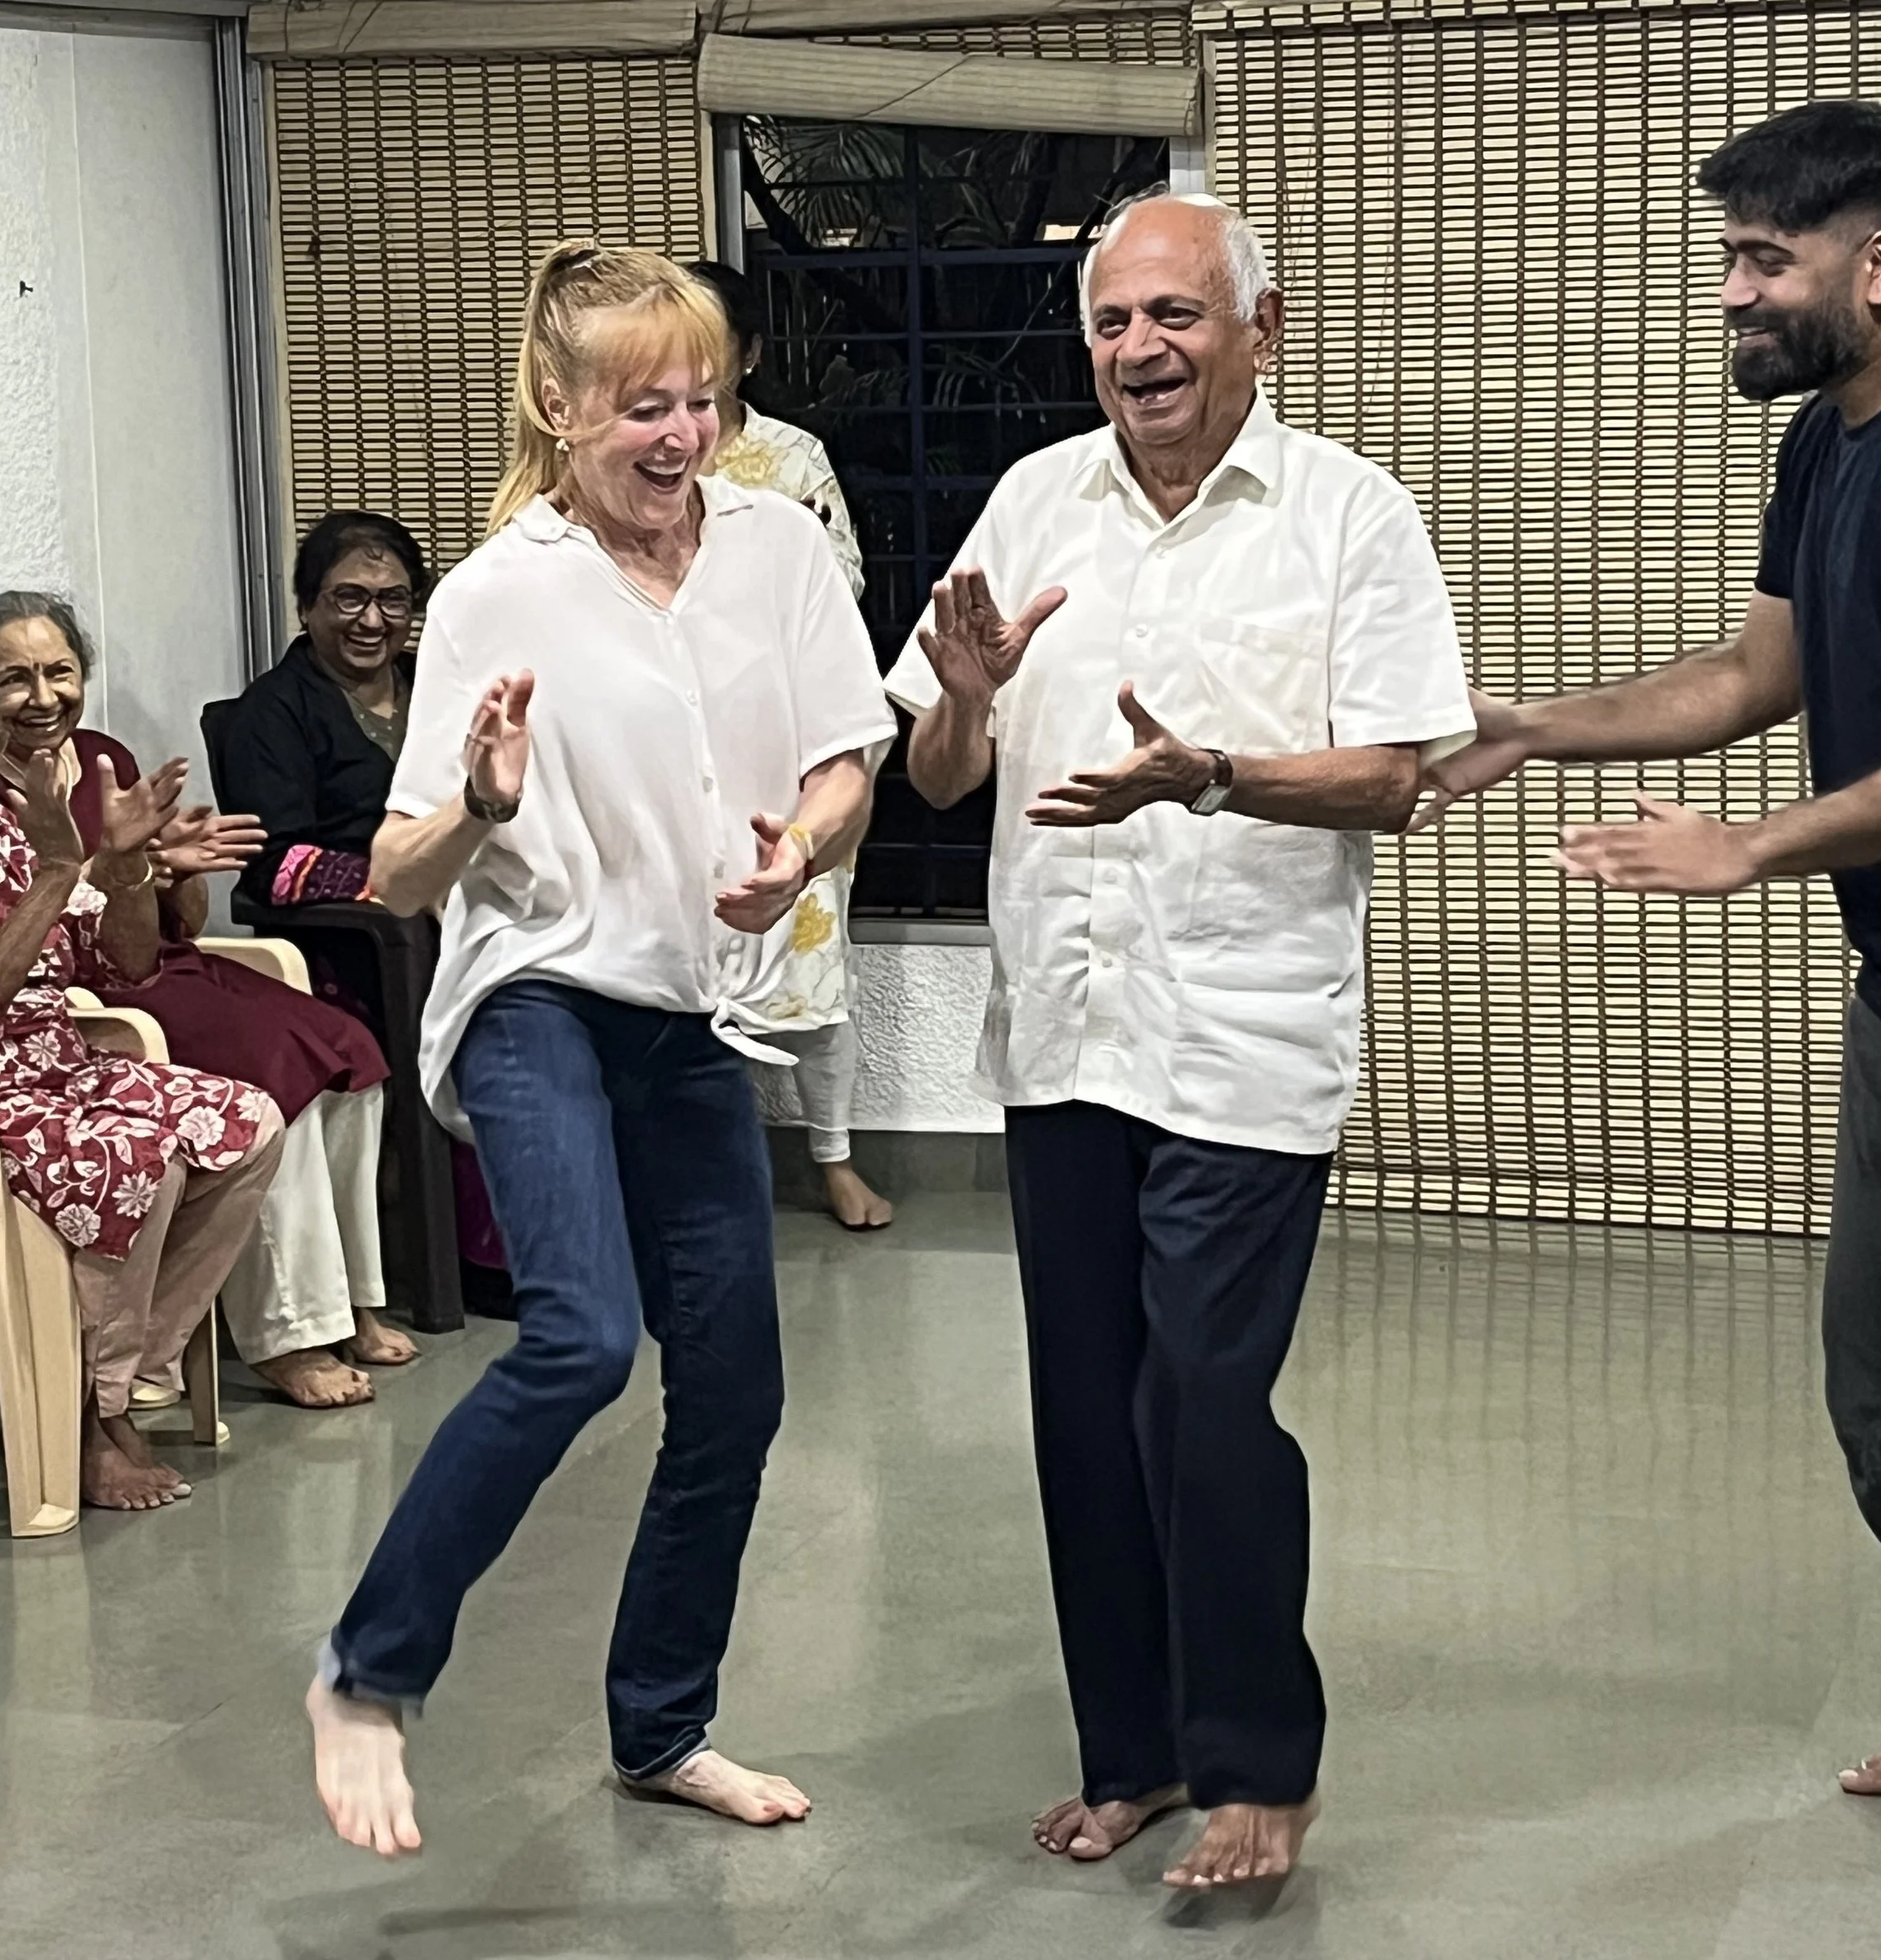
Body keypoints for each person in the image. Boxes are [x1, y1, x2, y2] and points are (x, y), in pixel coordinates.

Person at [883, 191, 1474, 1890]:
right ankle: (1130, 1750)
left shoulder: (1343, 517)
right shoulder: (1025, 503)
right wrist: (974, 699)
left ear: (1255, 330)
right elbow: (933, 773)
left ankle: (1258, 1765)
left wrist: (1206, 771)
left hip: (1243, 1034)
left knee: (1201, 1401)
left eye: (1174, 317)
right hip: (1063, 1032)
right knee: (1083, 1410)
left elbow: (1396, 777)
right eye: (1111, 323)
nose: (1136, 349)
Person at [303, 240, 896, 1856]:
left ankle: (659, 1728)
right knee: (578, 1338)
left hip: (687, 1012)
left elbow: (850, 758)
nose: (679, 434)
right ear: (559, 406)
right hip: (534, 996)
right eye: (643, 404)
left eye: (700, 399)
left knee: (736, 1390)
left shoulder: (773, 549)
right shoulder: (500, 590)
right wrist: (485, 802)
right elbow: (397, 869)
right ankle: (365, 1672)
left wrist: (801, 853)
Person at [1414, 99, 1881, 1928]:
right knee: (1876, 1406)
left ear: (1875, 265)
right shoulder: (1823, 449)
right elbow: (1753, 669)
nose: (1728, 294)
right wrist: (1532, 722)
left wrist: (1749, 849)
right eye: (1727, 258)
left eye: (1760, 261)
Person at [0, 636, 284, 1511]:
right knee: (134, 1153)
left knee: (245, 1122)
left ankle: (122, 1386)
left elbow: (122, 969)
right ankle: (87, 1424)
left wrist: (123, 869)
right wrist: (60, 870)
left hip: (46, 1070)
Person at [0, 590, 414, 1410]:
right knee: (283, 1076)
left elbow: (179, 920)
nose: (42, 697)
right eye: (14, 678)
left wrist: (175, 869)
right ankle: (288, 1332)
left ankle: (354, 1300)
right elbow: (27, 930)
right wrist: (116, 871)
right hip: (88, 991)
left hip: (163, 963)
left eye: (59, 672)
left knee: (349, 1047)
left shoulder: (101, 755)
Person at [222, 511, 509, 1303]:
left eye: (394, 598)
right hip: (350, 946)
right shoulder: (271, 712)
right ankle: (478, 1258)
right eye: (349, 599)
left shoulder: (440, 685)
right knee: (488, 1012)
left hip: (459, 909)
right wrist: (400, 884)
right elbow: (275, 864)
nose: (373, 620)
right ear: (307, 605)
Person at [689, 257, 891, 1230]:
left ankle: (833, 1156)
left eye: (711, 347)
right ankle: (707, 1165)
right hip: (675, 748)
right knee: (686, 954)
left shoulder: (793, 456)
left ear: (750, 355)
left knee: (813, 952)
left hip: (781, 741)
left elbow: (841, 587)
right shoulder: (632, 452)